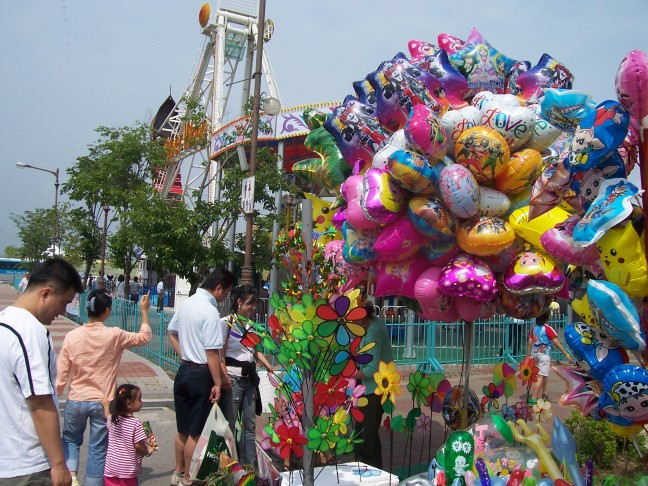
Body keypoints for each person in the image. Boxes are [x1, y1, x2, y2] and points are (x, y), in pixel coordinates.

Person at [0, 257, 83, 485]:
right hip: (26, 463)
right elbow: (40, 402)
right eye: (64, 302)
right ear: (45, 293)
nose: (63, 312)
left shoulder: (4, 322)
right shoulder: (30, 331)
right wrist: (58, 463)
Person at [56, 289, 151, 486]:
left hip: (76, 399)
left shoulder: (72, 336)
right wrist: (144, 311)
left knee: (71, 441)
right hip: (104, 402)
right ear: (107, 311)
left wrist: (56, 396)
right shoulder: (114, 335)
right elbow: (144, 337)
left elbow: (62, 373)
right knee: (98, 448)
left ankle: (72, 477)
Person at [168, 267, 235, 486]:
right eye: (226, 292)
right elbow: (211, 353)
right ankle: (189, 478)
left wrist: (184, 355)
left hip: (184, 372)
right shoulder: (210, 312)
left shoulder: (187, 304)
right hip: (201, 374)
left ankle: (177, 473)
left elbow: (172, 331)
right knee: (196, 432)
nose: (225, 297)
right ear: (218, 288)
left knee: (182, 429)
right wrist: (218, 382)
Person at [220, 285, 275, 467]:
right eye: (250, 304)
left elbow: (255, 350)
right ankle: (228, 468)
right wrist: (223, 378)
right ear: (239, 302)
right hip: (232, 380)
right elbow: (220, 353)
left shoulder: (253, 326)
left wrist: (268, 366)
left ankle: (248, 468)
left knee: (250, 426)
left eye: (255, 304)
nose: (253, 308)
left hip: (250, 380)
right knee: (229, 424)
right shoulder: (226, 324)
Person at [352, 301, 394, 470]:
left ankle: (374, 471)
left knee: (369, 436)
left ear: (362, 317)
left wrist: (350, 375)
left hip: (376, 389)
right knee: (359, 432)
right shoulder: (369, 327)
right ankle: (360, 467)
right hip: (366, 388)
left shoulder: (375, 331)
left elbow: (372, 369)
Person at [103, 384, 155, 486]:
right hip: (127, 470)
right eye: (139, 400)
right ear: (129, 404)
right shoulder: (136, 423)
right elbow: (138, 445)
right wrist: (148, 451)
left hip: (110, 468)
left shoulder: (114, 419)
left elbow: (107, 415)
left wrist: (105, 405)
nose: (141, 402)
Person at [526, 311, 573, 404]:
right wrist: (567, 355)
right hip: (544, 355)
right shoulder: (547, 328)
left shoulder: (534, 328)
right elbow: (557, 343)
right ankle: (534, 397)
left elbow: (530, 341)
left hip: (535, 354)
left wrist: (528, 355)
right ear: (547, 318)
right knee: (540, 376)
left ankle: (544, 393)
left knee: (544, 375)